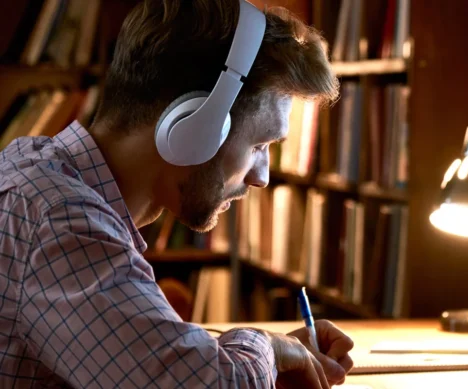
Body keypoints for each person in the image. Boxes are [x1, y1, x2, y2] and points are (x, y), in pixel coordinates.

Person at [0, 1, 353, 388]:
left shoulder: (38, 175)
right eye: (259, 144)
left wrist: (261, 358)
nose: (261, 178)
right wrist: (266, 347)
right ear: (195, 126)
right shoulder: (60, 221)